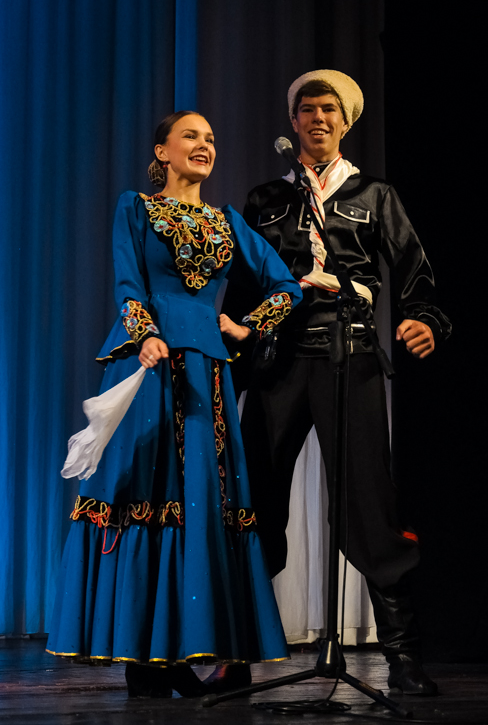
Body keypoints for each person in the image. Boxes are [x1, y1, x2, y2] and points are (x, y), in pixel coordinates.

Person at [46, 111, 302, 699]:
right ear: (162, 151)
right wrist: (144, 335)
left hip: (205, 372)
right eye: (191, 135)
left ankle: (192, 645)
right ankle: (146, 656)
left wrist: (246, 326)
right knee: (148, 492)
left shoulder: (227, 221)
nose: (204, 145)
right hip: (150, 362)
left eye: (211, 138)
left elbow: (286, 285)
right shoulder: (136, 207)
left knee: (202, 501)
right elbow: (129, 284)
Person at [224, 70, 451, 696]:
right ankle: (236, 651)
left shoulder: (374, 194)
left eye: (329, 109)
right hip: (278, 360)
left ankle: (403, 657)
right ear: (292, 121)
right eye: (307, 109)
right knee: (255, 503)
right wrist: (231, 360)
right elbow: (241, 291)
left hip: (349, 355)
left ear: (345, 121)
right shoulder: (267, 199)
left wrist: (423, 319)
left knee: (368, 508)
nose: (317, 118)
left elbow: (415, 272)